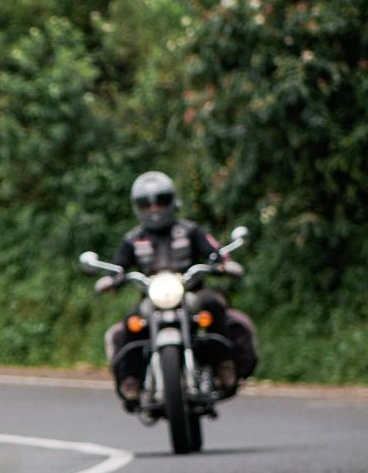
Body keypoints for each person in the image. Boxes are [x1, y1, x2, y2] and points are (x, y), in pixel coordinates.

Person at [95, 171, 258, 408]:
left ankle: (224, 364)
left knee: (213, 304)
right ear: (137, 207)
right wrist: (110, 279)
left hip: (192, 294)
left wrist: (223, 262)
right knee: (132, 321)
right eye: (146, 204)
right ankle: (130, 379)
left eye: (160, 201)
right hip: (153, 299)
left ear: (171, 201)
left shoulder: (190, 230)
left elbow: (215, 252)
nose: (154, 209)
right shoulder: (133, 240)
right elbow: (117, 267)